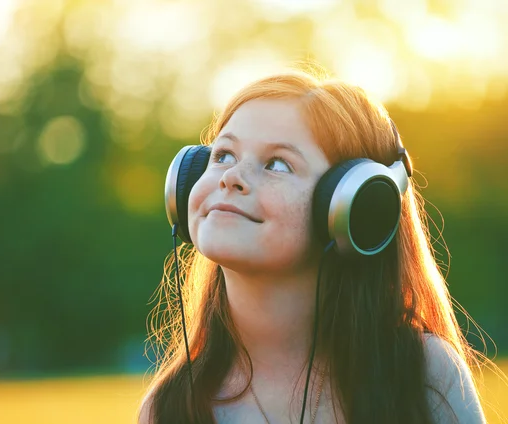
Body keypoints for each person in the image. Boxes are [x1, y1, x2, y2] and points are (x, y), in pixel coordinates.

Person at [138, 69, 491, 423]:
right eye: (224, 155)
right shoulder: (170, 407)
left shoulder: (422, 374)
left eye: (277, 164)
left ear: (353, 207)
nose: (231, 177)